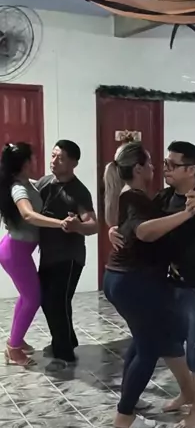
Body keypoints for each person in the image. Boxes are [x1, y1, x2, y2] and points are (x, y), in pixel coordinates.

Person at [109, 140, 195, 428]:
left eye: (172, 165)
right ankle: (186, 392)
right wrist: (114, 230)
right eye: (164, 163)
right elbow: (139, 224)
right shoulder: (163, 197)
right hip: (171, 284)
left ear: (191, 169)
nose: (165, 169)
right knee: (168, 341)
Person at [103, 141, 195, 428]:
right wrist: (187, 214)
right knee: (149, 347)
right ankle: (124, 415)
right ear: (139, 168)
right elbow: (144, 231)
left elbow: (129, 228)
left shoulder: (133, 195)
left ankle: (129, 399)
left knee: (141, 340)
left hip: (121, 279)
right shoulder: (134, 197)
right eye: (151, 163)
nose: (156, 168)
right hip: (133, 282)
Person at [0, 142, 70, 367]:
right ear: (24, 163)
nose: (35, 161)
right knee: (33, 298)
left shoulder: (26, 183)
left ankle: (15, 340)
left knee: (26, 297)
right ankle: (13, 349)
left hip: (17, 250)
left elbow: (41, 186)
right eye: (32, 158)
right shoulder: (17, 189)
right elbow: (28, 215)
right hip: (15, 252)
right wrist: (60, 223)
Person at [37, 140, 98, 372]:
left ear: (73, 163)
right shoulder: (44, 183)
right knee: (50, 301)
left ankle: (64, 355)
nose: (54, 161)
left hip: (70, 258)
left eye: (60, 158)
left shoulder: (78, 191)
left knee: (56, 303)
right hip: (48, 255)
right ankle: (67, 339)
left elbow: (93, 225)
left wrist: (77, 226)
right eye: (53, 155)